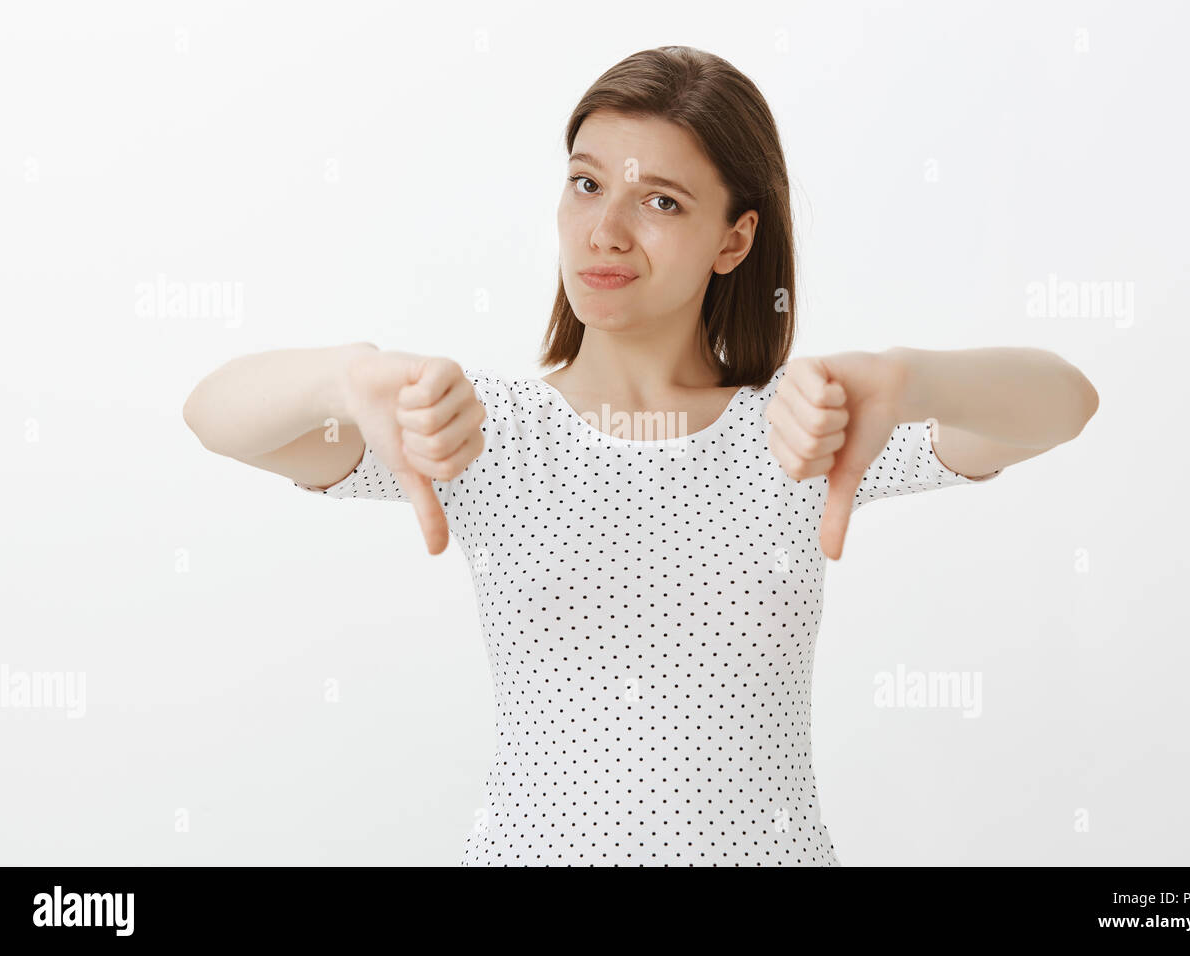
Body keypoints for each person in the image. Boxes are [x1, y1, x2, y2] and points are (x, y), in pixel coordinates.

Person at [183, 46, 1098, 866]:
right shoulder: (475, 429)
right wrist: (348, 377)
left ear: (735, 238)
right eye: (587, 184)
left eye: (660, 201)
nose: (605, 230)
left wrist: (910, 378)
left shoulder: (805, 429)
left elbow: (1063, 406)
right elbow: (216, 418)